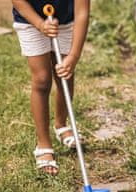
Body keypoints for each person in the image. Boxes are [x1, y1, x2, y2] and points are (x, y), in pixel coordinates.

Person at [11, 0, 90, 175]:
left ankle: (61, 126)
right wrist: (39, 24)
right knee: (42, 80)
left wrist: (74, 56)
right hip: (30, 20)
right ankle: (43, 143)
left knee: (65, 75)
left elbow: (82, 13)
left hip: (66, 22)